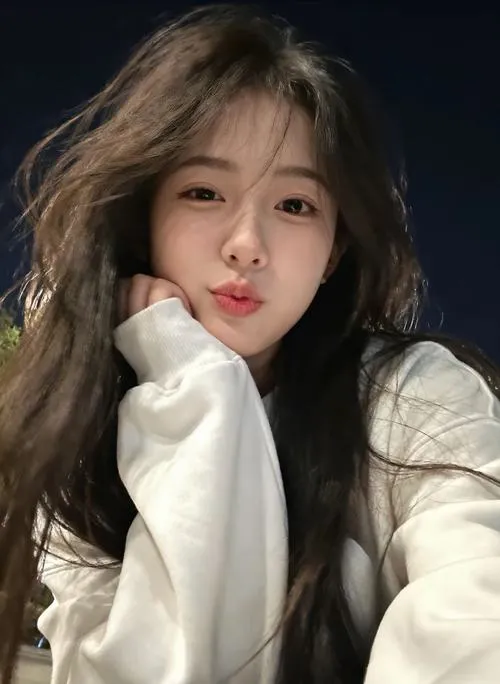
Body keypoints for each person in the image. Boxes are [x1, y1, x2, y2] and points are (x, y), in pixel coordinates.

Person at [0, 5, 499, 683]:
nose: (246, 245)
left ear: (333, 251)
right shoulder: (81, 434)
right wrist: (194, 386)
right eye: (204, 192)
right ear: (146, 220)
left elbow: (474, 607)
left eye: (295, 205)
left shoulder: (415, 401)